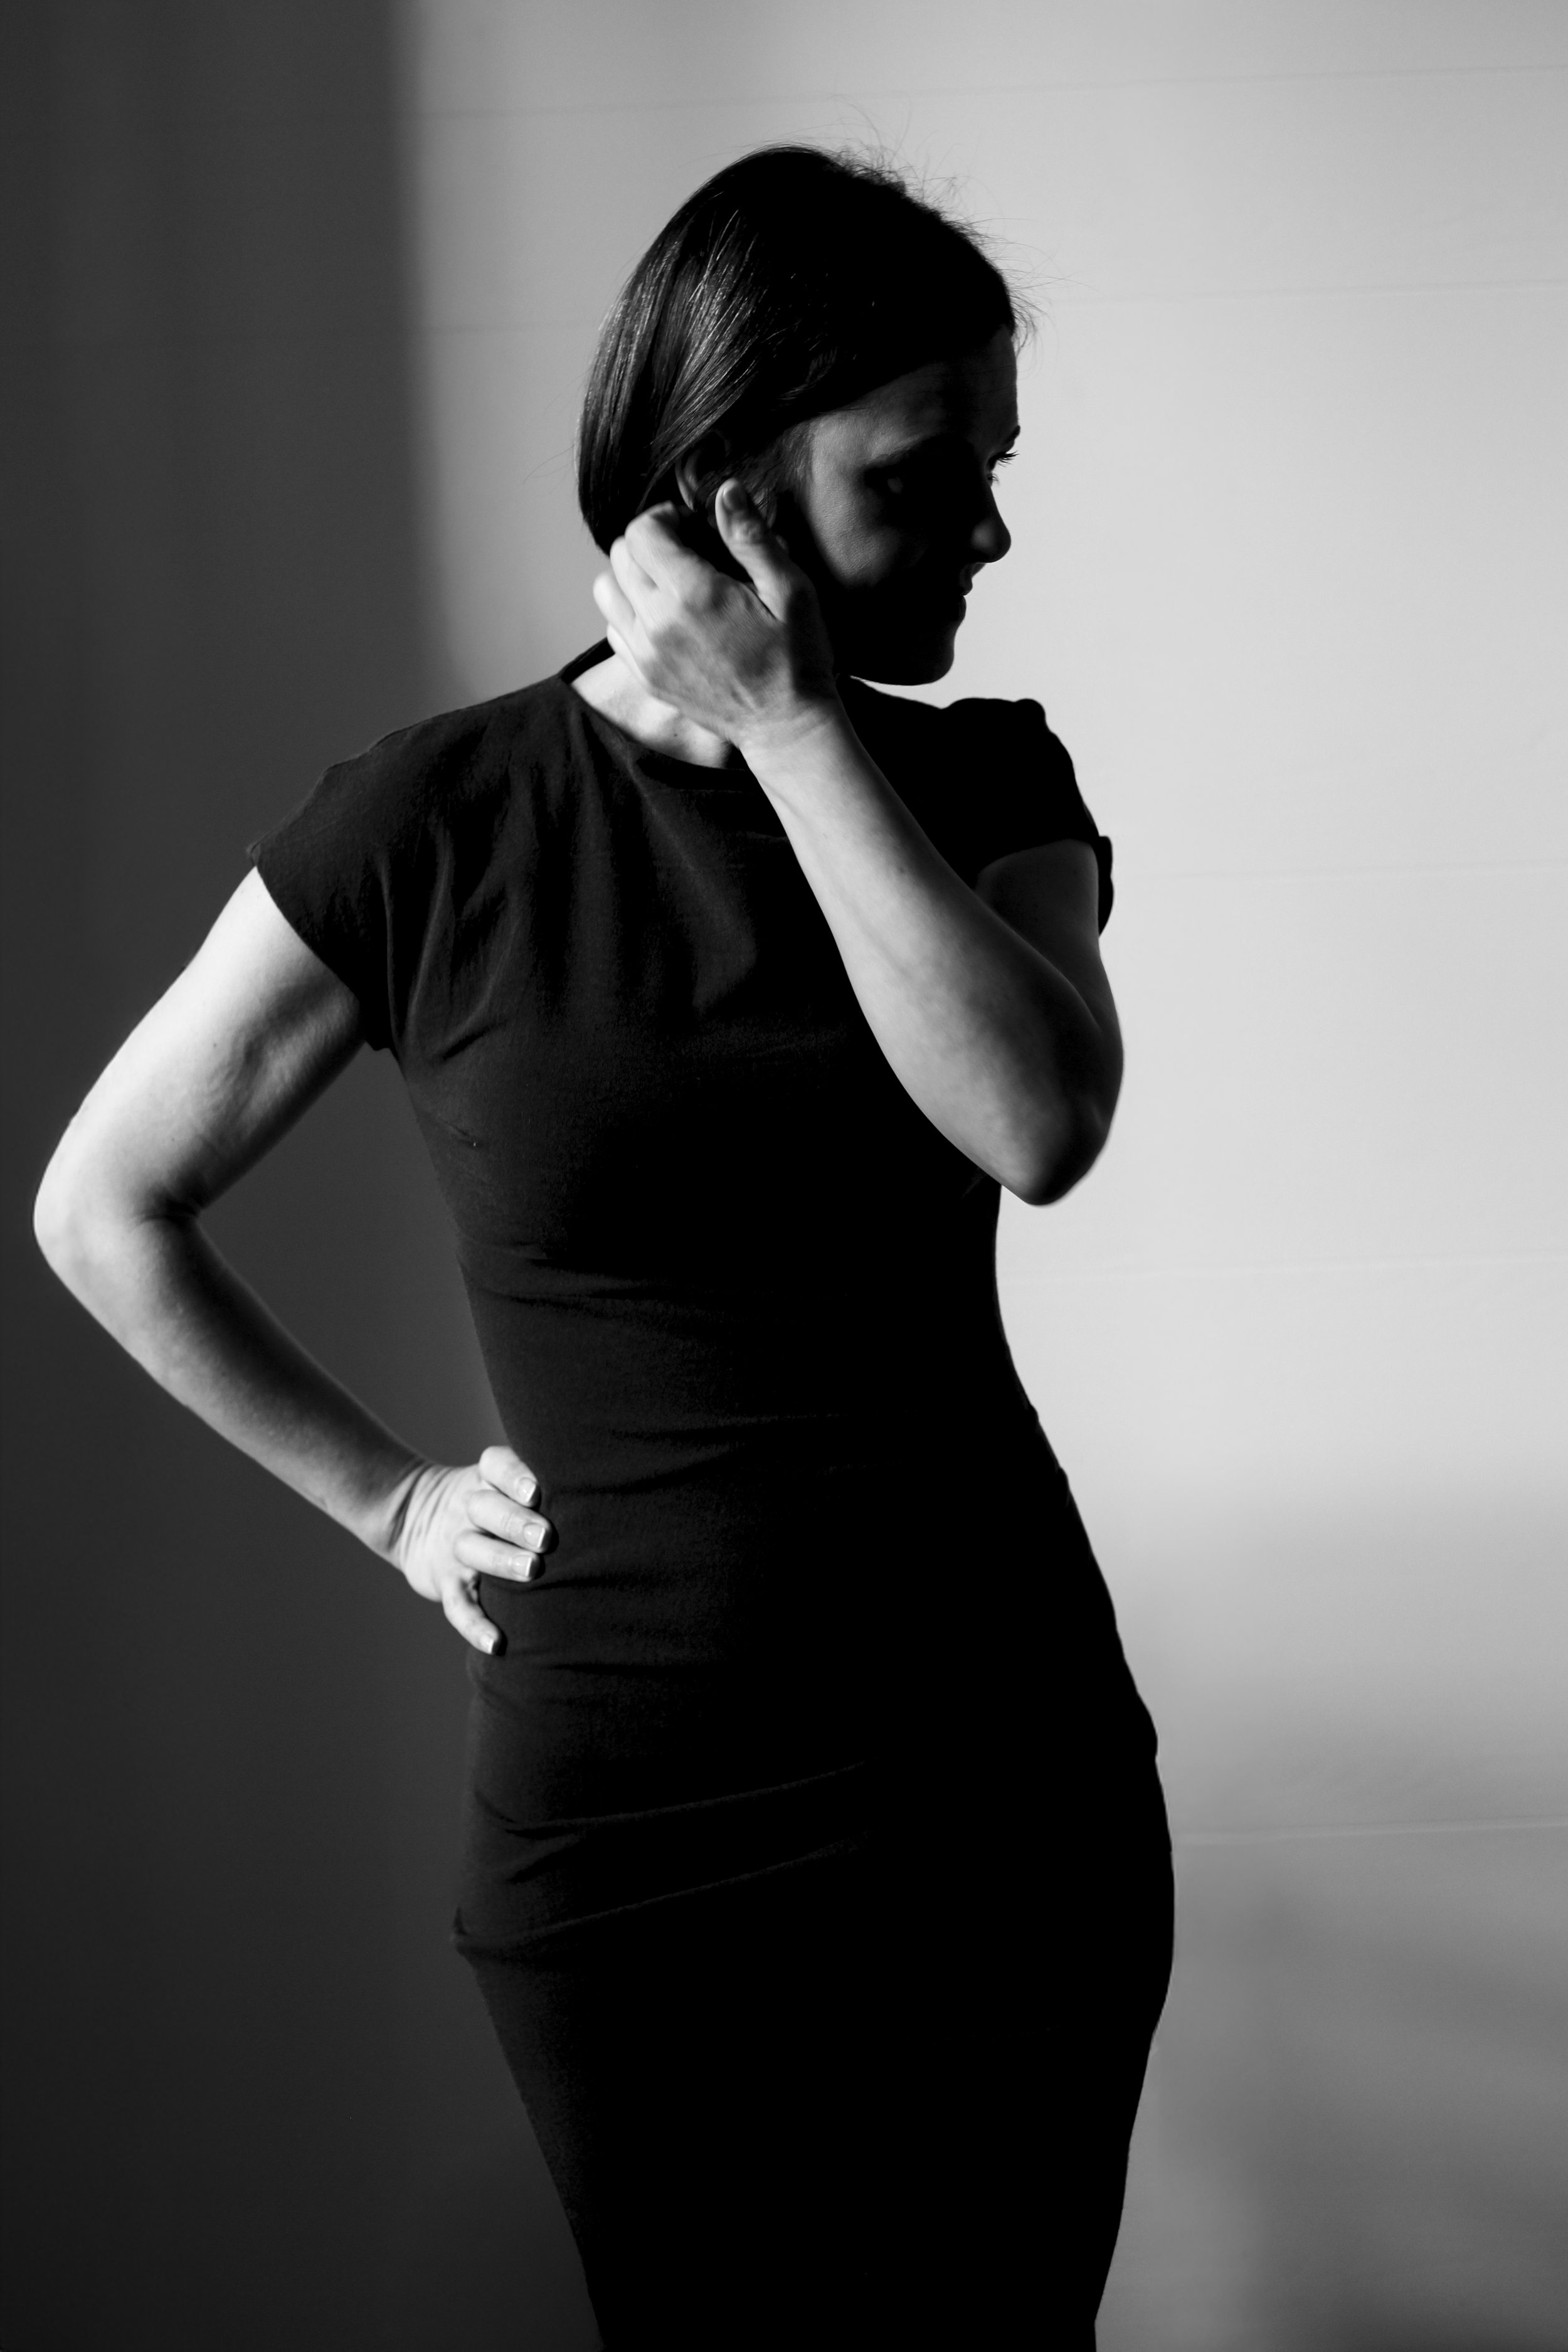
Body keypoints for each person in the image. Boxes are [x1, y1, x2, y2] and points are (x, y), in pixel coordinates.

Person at [34, 146, 1172, 2348]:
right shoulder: (431, 824)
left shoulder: (988, 791)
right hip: (629, 1829)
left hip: (987, 1792)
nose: (991, 526)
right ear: (732, 478)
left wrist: (790, 725)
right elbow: (105, 1203)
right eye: (929, 467)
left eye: (994, 465)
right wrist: (385, 1503)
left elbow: (1035, 1122)